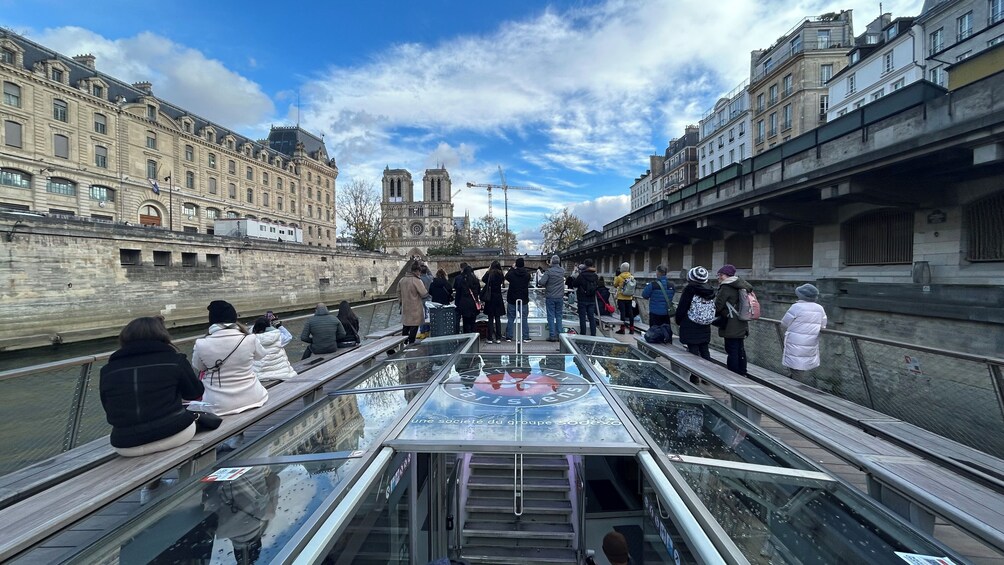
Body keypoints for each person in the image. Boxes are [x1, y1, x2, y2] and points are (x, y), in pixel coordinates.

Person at [99, 316, 204, 456]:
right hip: (174, 432)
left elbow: (108, 406)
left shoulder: (108, 370)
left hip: (125, 444)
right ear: (162, 335)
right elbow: (194, 394)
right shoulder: (175, 360)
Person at [192, 300, 268, 416]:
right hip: (254, 397)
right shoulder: (249, 339)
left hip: (218, 405)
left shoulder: (201, 343)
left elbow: (199, 367)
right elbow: (261, 355)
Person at [781, 283, 827, 378]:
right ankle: (796, 382)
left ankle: (793, 385)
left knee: (794, 361)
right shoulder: (820, 308)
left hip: (795, 339)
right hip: (811, 340)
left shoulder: (796, 307)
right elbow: (823, 324)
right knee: (803, 362)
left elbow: (784, 323)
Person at [714, 264, 754, 376]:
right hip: (742, 321)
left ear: (726, 275)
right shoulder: (741, 285)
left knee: (731, 350)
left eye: (720, 274)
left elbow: (718, 306)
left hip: (731, 323)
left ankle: (733, 375)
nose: (718, 277)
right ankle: (742, 372)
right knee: (740, 349)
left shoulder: (726, 287)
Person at [675, 266, 714, 361]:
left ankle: (694, 375)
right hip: (705, 325)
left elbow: (682, 308)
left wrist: (678, 320)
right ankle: (708, 373)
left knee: (693, 352)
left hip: (690, 324)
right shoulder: (710, 291)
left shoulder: (689, 290)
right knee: (705, 351)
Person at [251, 316, 297, 381]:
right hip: (282, 373)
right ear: (269, 326)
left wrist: (259, 323)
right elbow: (288, 336)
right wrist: (278, 325)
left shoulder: (252, 339)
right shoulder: (278, 336)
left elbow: (251, 331)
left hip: (261, 375)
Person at [537, 254, 566, 341]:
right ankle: (560, 335)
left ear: (551, 262)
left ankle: (552, 335)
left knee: (550, 315)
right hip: (560, 296)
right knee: (559, 315)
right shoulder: (562, 271)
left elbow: (541, 282)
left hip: (550, 296)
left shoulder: (549, 271)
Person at [400, 261, 430, 344]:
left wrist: (401, 302)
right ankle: (411, 343)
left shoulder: (402, 280)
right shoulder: (416, 280)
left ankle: (403, 342)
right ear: (417, 271)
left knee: (406, 325)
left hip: (405, 307)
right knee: (414, 325)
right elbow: (424, 293)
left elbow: (398, 293)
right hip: (415, 307)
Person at [567, 258, 599, 336]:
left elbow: (574, 284)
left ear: (585, 265)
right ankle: (593, 333)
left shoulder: (582, 275)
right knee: (591, 317)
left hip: (582, 298)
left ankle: (583, 334)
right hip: (591, 299)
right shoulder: (595, 276)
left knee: (582, 317)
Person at [504, 257, 532, 341]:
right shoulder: (527, 275)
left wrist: (512, 268)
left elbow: (507, 276)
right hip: (523, 299)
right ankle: (526, 337)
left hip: (512, 299)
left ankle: (509, 336)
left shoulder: (512, 274)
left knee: (511, 318)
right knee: (524, 319)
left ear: (516, 264)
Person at [481, 260, 506, 343]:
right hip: (498, 297)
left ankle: (490, 338)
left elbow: (483, 279)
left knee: (490, 318)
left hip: (490, 297)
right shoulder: (500, 274)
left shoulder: (489, 273)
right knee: (498, 318)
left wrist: (488, 270)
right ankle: (498, 337)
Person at [612, 262, 636, 334]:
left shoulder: (619, 277)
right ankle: (632, 329)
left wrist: (616, 276)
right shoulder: (631, 276)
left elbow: (615, 285)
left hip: (621, 297)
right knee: (630, 313)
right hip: (629, 297)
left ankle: (622, 329)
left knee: (623, 313)